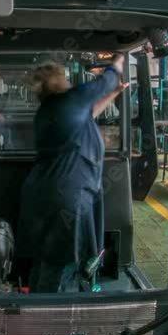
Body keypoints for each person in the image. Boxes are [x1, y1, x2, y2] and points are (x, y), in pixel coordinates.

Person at [17, 55, 129, 292]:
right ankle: (49, 314)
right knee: (60, 268)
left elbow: (87, 114)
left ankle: (34, 307)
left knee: (46, 261)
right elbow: (105, 81)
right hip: (66, 199)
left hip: (44, 196)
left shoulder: (49, 111)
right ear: (59, 80)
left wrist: (115, 94)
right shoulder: (70, 100)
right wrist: (119, 59)